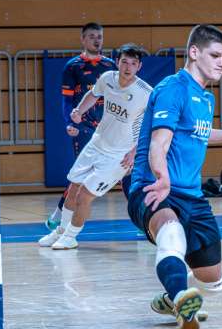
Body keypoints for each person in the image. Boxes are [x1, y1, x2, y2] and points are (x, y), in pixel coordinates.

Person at [127, 24, 222, 329]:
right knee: (171, 233)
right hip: (154, 189)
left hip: (194, 197)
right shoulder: (172, 88)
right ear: (193, 52)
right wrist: (161, 178)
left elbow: (194, 132)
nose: (221, 63)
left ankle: (171, 294)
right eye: (215, 55)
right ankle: (180, 299)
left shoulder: (205, 98)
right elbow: (159, 143)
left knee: (214, 281)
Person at [39, 44, 152, 249]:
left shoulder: (146, 93)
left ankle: (71, 237)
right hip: (96, 143)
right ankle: (61, 231)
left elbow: (152, 127)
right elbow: (93, 94)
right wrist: (79, 110)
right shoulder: (107, 78)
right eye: (124, 61)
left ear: (139, 67)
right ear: (117, 62)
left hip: (119, 155)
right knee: (73, 188)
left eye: (133, 63)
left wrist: (135, 152)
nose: (128, 67)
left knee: (85, 194)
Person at [45, 22, 116, 230]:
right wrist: (69, 122)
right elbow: (67, 101)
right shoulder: (73, 67)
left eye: (100, 36)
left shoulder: (111, 66)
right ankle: (60, 216)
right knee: (80, 175)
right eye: (92, 36)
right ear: (83, 39)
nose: (97, 40)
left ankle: (141, 219)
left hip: (109, 129)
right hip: (84, 128)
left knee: (125, 172)